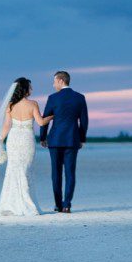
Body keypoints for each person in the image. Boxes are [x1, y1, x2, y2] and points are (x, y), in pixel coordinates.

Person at [0, 77, 53, 216]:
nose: (31, 89)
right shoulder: (33, 104)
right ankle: (26, 203)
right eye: (30, 87)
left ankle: (11, 203)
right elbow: (41, 122)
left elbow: (6, 127)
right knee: (25, 169)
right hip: (27, 139)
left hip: (13, 139)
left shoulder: (10, 105)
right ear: (25, 89)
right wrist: (52, 116)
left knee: (13, 169)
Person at [40, 71, 89, 213]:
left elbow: (45, 120)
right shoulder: (79, 98)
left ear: (61, 81)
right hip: (72, 140)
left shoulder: (53, 98)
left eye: (54, 81)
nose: (53, 84)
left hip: (55, 140)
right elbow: (84, 121)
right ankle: (67, 204)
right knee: (70, 173)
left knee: (56, 173)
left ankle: (58, 204)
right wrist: (82, 138)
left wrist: (42, 137)